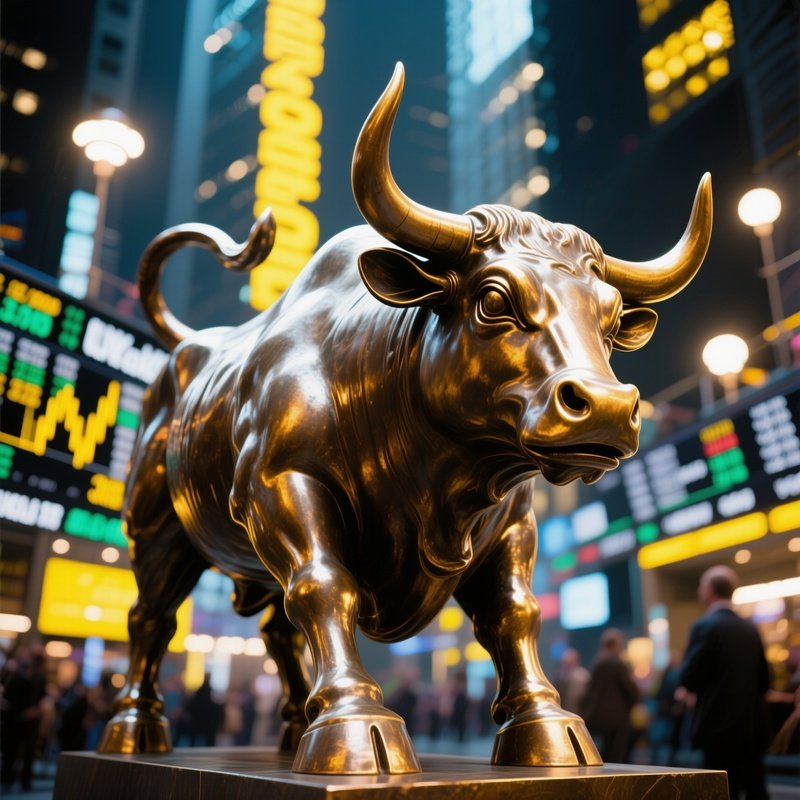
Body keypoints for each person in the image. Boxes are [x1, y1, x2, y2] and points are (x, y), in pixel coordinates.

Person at [679, 565, 770, 800]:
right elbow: (764, 681)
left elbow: (689, 677)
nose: (700, 590)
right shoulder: (750, 628)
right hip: (750, 727)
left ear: (709, 589)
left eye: (701, 585)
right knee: (754, 789)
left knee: (721, 791)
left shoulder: (705, 626)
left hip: (717, 727)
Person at [580, 628, 639, 763]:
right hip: (617, 719)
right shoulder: (617, 664)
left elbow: (589, 693)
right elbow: (630, 691)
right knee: (618, 758)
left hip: (597, 717)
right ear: (616, 644)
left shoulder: (596, 662)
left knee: (603, 757)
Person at [554, 648, 590, 715]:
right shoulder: (560, 678)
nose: (566, 666)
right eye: (564, 663)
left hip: (579, 713)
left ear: (575, 662)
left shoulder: (583, 677)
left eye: (568, 663)